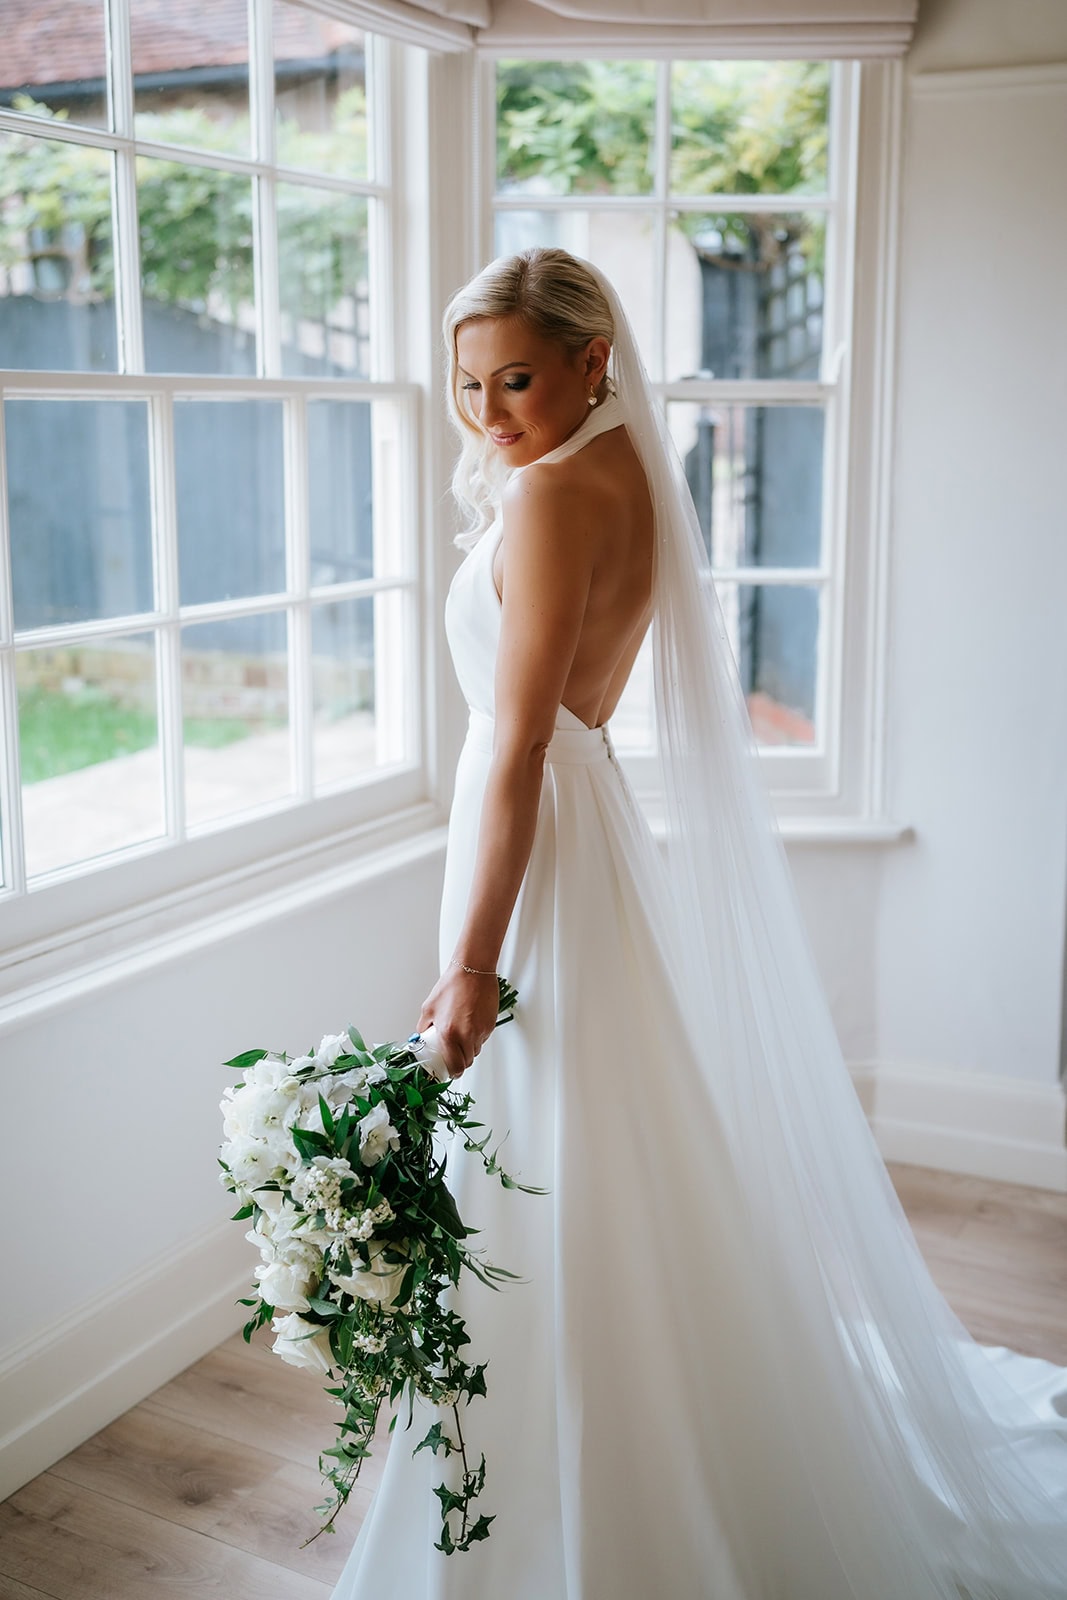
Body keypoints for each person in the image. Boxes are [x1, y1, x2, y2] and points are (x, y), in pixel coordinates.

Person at [329, 249, 1067, 1599]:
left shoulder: (555, 498)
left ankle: (569, 1491)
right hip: (580, 827)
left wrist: (471, 960)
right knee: (600, 1143)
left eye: (516, 381)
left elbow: (511, 753)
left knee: (547, 1151)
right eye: (466, 385)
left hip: (535, 845)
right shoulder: (618, 474)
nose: (488, 414)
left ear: (593, 360)